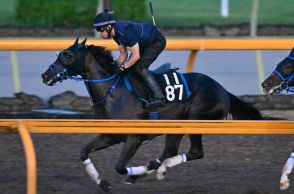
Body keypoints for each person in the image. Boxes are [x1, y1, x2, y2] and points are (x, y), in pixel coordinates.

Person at [93, 9, 166, 107]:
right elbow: (123, 54)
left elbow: (136, 56)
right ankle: (141, 95)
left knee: (139, 67)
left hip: (156, 42)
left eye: (100, 29)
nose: (99, 33)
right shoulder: (115, 35)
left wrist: (123, 67)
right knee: (130, 70)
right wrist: (115, 66)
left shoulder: (125, 30)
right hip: (144, 44)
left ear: (109, 27)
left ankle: (159, 97)